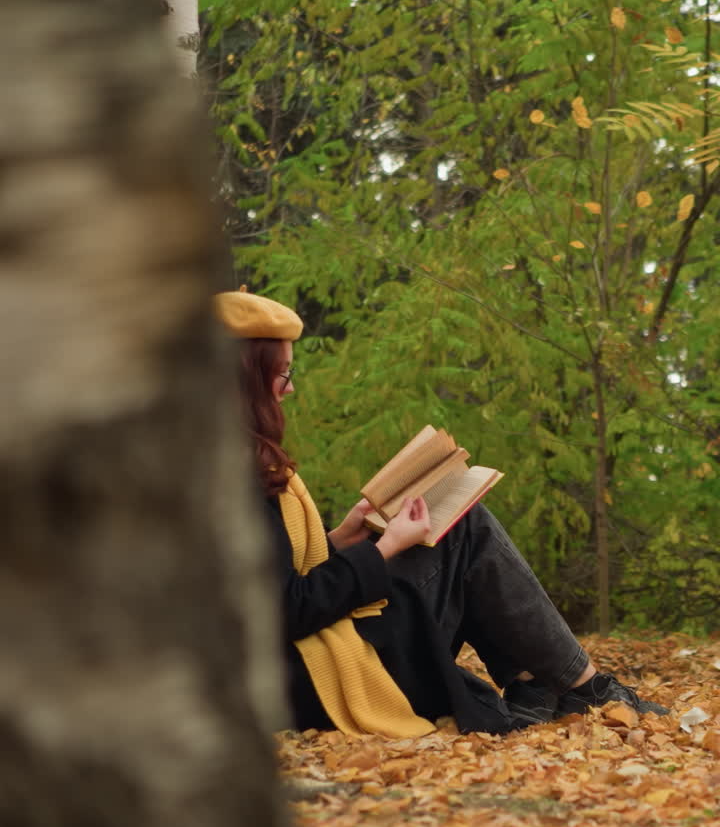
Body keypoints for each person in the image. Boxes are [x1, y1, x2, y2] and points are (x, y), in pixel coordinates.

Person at [215, 287, 668, 737]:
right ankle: (581, 687)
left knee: (456, 521)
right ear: (247, 379)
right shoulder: (230, 474)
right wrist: (387, 547)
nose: (290, 388)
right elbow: (280, 610)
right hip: (306, 678)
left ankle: (537, 685)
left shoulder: (215, 461)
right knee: (463, 527)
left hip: (301, 659)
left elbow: (271, 573)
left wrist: (342, 538)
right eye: (282, 375)